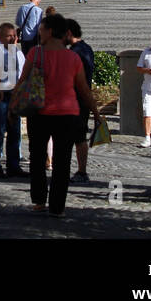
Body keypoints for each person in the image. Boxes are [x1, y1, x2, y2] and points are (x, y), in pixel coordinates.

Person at [13, 13, 101, 218]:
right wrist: (95, 112)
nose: (38, 33)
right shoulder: (73, 57)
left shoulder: (35, 53)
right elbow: (84, 89)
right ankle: (57, 207)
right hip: (67, 113)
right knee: (62, 161)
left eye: (41, 29)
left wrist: (12, 106)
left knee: (37, 157)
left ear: (50, 31)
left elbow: (22, 81)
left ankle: (39, 201)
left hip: (40, 112)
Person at [0, 22, 25, 179]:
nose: (13, 38)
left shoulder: (17, 52)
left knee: (15, 131)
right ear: (1, 37)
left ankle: (13, 165)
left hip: (14, 94)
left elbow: (22, 73)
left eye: (14, 36)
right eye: (9, 36)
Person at [64, 18, 94, 181]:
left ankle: (75, 171)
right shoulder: (87, 48)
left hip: (74, 99)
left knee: (71, 137)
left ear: (69, 33)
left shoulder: (74, 52)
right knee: (80, 137)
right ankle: (82, 171)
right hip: (82, 99)